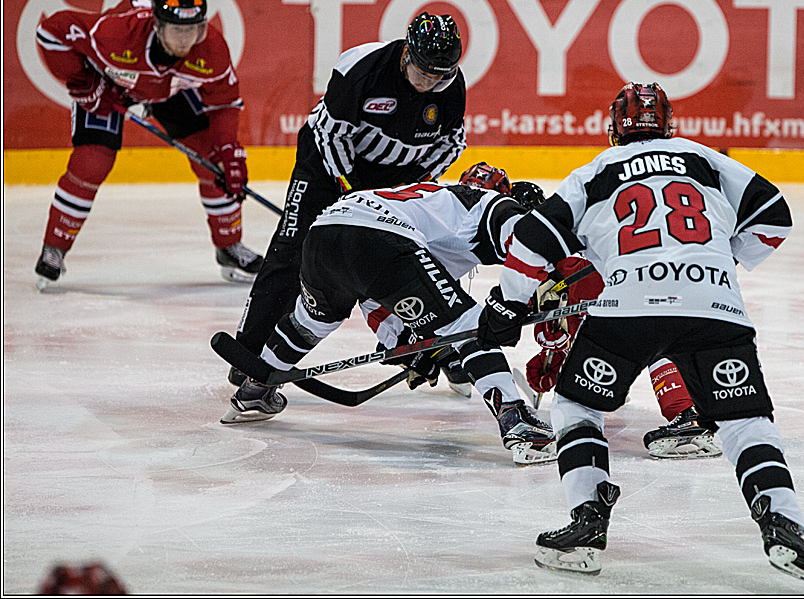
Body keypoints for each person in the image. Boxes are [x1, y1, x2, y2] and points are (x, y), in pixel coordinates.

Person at [476, 83, 804, 589]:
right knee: (745, 420)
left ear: (613, 126)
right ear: (670, 126)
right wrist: (719, 261)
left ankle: (587, 526)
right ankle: (785, 529)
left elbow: (534, 240)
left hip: (626, 309)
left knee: (578, 408)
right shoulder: (705, 158)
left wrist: (506, 303)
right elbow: (775, 215)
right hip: (713, 306)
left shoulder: (596, 171)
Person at [223, 164, 557, 466]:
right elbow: (530, 244)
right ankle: (519, 425)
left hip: (324, 232)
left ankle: (254, 391)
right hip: (378, 237)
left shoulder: (434, 210)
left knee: (311, 321)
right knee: (470, 324)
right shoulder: (493, 205)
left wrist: (406, 343)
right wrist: (552, 283)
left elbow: (380, 297)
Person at [228, 12, 467, 388]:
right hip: (327, 168)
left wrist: (405, 192)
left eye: (440, 76)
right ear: (407, 54)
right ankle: (250, 354)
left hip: (392, 180)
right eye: (424, 73)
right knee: (292, 249)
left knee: (405, 257)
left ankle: (436, 345)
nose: (430, 83)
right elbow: (330, 134)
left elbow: (450, 145)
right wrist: (351, 194)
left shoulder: (450, 87)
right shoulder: (363, 66)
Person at [33, 0, 262, 289]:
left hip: (170, 91)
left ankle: (229, 248)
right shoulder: (116, 33)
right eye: (178, 29)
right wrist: (84, 84)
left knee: (213, 162)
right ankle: (54, 248)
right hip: (109, 88)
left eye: (194, 28)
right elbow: (51, 32)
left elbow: (224, 103)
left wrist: (229, 152)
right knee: (91, 162)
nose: (186, 38)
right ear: (157, 24)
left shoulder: (210, 48)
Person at [527, 256, 722, 459]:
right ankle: (688, 414)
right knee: (657, 325)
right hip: (658, 264)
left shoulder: (571, 265)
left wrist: (562, 355)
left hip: (620, 263)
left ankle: (686, 412)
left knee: (652, 327)